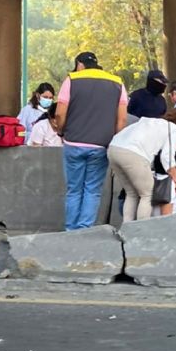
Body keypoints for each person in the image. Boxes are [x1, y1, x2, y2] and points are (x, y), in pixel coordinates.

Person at [55, 52, 128, 231]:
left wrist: (62, 131)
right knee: (92, 190)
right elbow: (122, 120)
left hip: (73, 142)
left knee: (74, 190)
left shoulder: (72, 79)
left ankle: (71, 230)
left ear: (80, 64)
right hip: (101, 145)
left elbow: (59, 113)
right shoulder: (117, 83)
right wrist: (116, 141)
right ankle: (84, 229)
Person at [108, 109, 176, 223]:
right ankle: (141, 230)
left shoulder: (147, 121)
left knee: (131, 193)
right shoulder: (175, 130)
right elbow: (167, 157)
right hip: (134, 153)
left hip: (113, 149)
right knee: (147, 194)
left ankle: (126, 228)